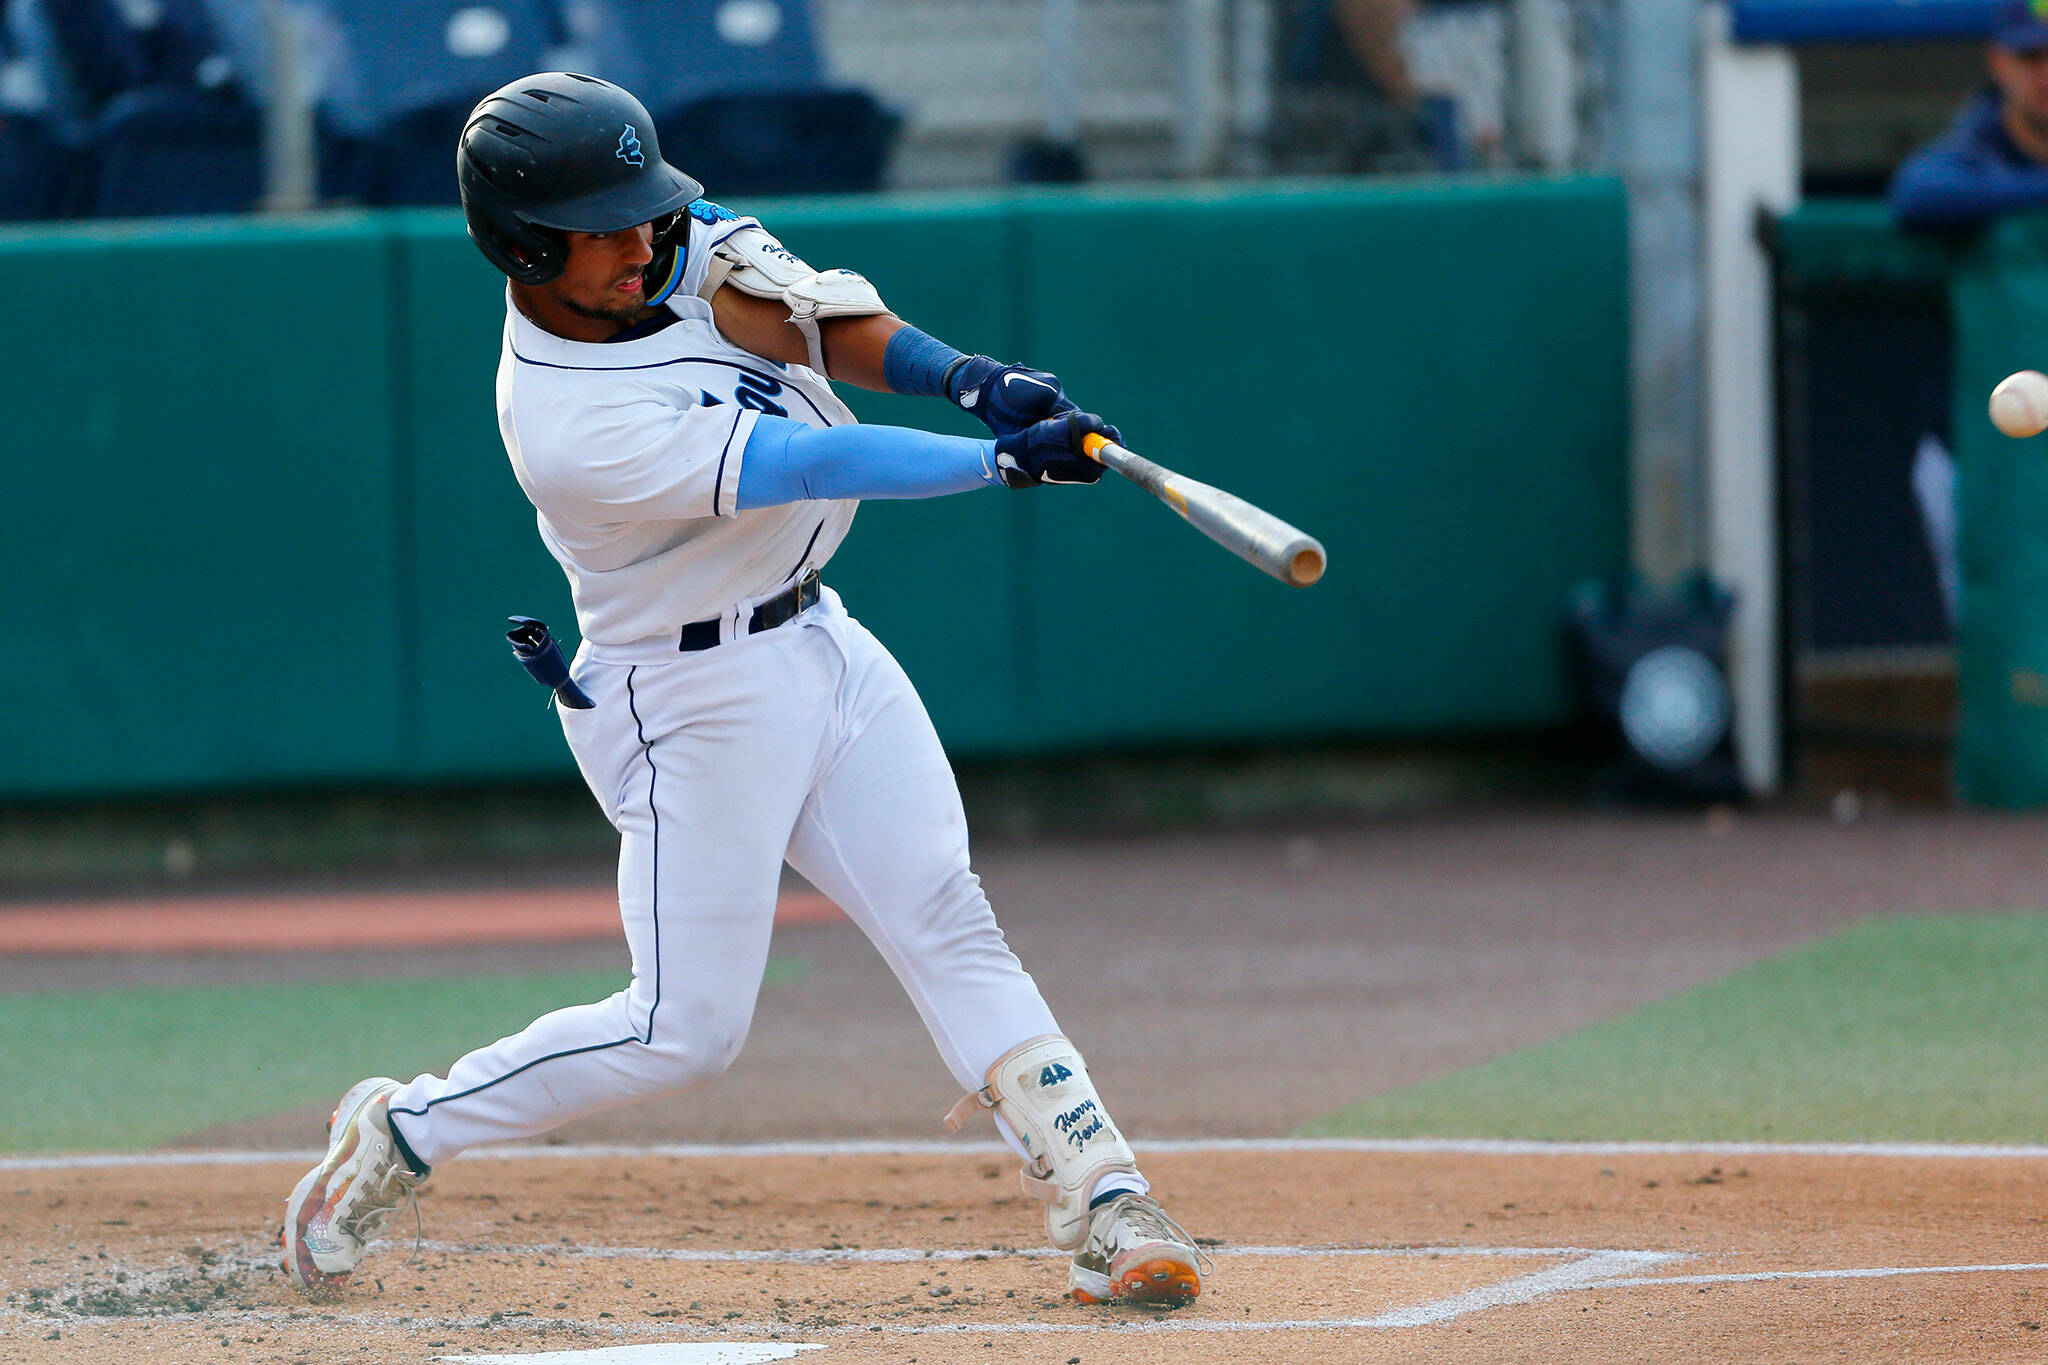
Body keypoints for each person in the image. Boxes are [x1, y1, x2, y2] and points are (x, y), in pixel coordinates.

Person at [278, 71, 1207, 1310]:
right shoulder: (560, 420)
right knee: (683, 1030)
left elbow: (812, 326)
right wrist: (994, 463)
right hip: (685, 702)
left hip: (821, 645)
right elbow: (801, 457)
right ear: (519, 243)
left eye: (645, 209)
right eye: (601, 226)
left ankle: (1105, 1195)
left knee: (945, 913)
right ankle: (402, 1133)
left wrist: (971, 379)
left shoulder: (673, 246)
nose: (641, 240)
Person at [1889, 0, 2048, 230]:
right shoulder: (1976, 150)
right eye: (2031, 56)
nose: (2046, 77)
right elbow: (1920, 191)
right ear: (1998, 62)